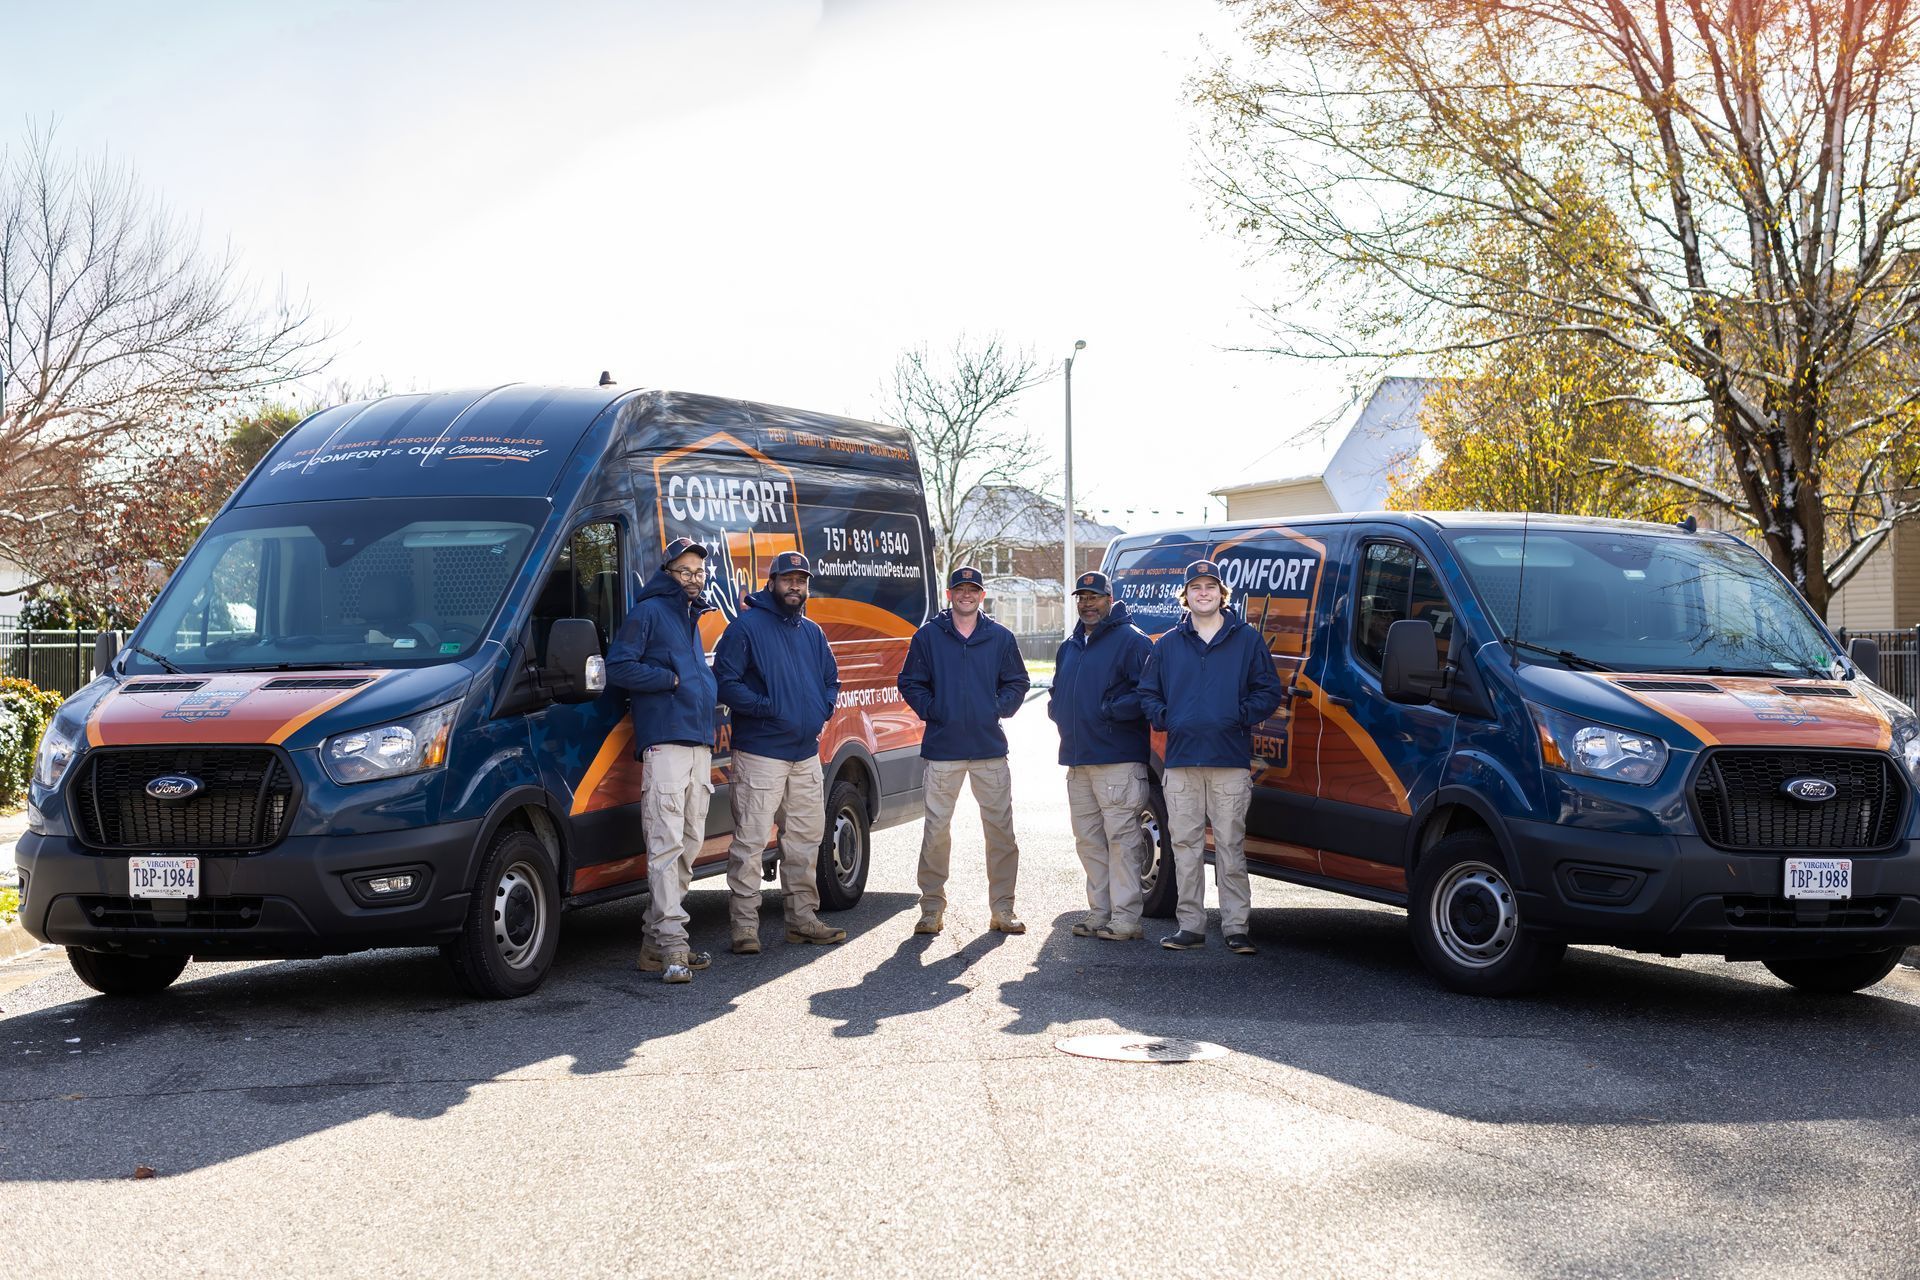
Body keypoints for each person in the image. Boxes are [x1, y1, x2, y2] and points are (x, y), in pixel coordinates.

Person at [1137, 558, 1285, 955]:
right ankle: (1191, 927)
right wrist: (1167, 718)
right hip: (1182, 763)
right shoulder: (1168, 644)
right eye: (1196, 587)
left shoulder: (1246, 640)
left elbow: (1268, 691)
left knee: (1230, 847)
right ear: (1185, 597)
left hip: (1229, 762)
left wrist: (1237, 715)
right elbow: (1147, 693)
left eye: (1211, 587)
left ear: (1223, 594)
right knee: (1185, 846)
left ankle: (1236, 927)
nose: (1203, 593)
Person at [713, 551, 847, 952]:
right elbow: (725, 681)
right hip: (761, 752)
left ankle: (802, 919)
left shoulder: (811, 632)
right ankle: (744, 929)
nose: (795, 587)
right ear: (771, 583)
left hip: (805, 754)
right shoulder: (746, 628)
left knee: (805, 839)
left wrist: (821, 710)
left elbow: (830, 679)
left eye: (801, 581)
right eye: (788, 580)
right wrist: (765, 708)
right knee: (751, 842)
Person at [605, 537, 719, 984]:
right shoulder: (649, 611)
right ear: (668, 573)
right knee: (667, 845)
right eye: (685, 571)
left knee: (689, 844)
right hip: (665, 743)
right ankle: (674, 945)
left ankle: (654, 944)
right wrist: (670, 679)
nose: (694, 579)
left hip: (698, 743)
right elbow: (619, 666)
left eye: (699, 572)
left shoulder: (690, 617)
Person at [897, 565, 1032, 935]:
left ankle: (1003, 909)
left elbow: (1018, 681)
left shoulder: (1000, 637)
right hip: (943, 749)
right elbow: (910, 681)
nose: (966, 595)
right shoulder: (928, 637)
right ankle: (931, 908)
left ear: (982, 595)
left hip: (989, 749)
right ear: (950, 594)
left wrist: (999, 707)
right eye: (960, 589)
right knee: (936, 831)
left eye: (973, 589)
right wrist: (934, 710)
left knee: (1001, 832)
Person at [1048, 570, 1154, 941]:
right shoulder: (1070, 645)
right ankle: (1100, 912)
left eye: (1094, 597)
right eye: (1081, 597)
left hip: (1118, 760)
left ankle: (1126, 918)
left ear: (1110, 599)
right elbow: (1059, 690)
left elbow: (1150, 694)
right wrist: (1058, 709)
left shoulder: (1131, 641)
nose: (1087, 603)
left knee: (1122, 840)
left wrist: (1108, 710)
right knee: (1088, 840)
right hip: (1078, 760)